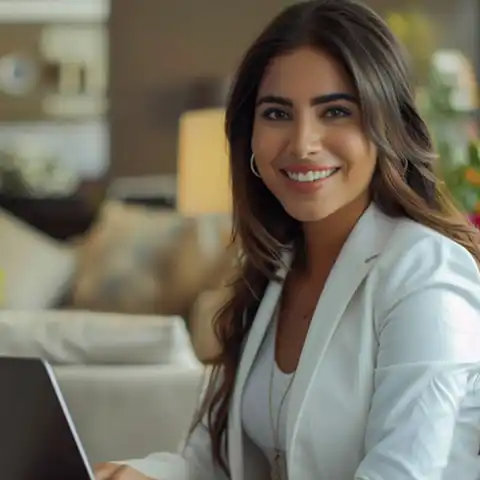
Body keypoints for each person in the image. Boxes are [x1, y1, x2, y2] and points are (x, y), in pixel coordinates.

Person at [95, 0, 480, 478]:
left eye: (336, 111)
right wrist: (143, 475)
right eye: (276, 113)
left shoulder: (424, 271)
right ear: (248, 134)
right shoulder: (272, 268)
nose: (302, 143)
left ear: (388, 127)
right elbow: (219, 460)